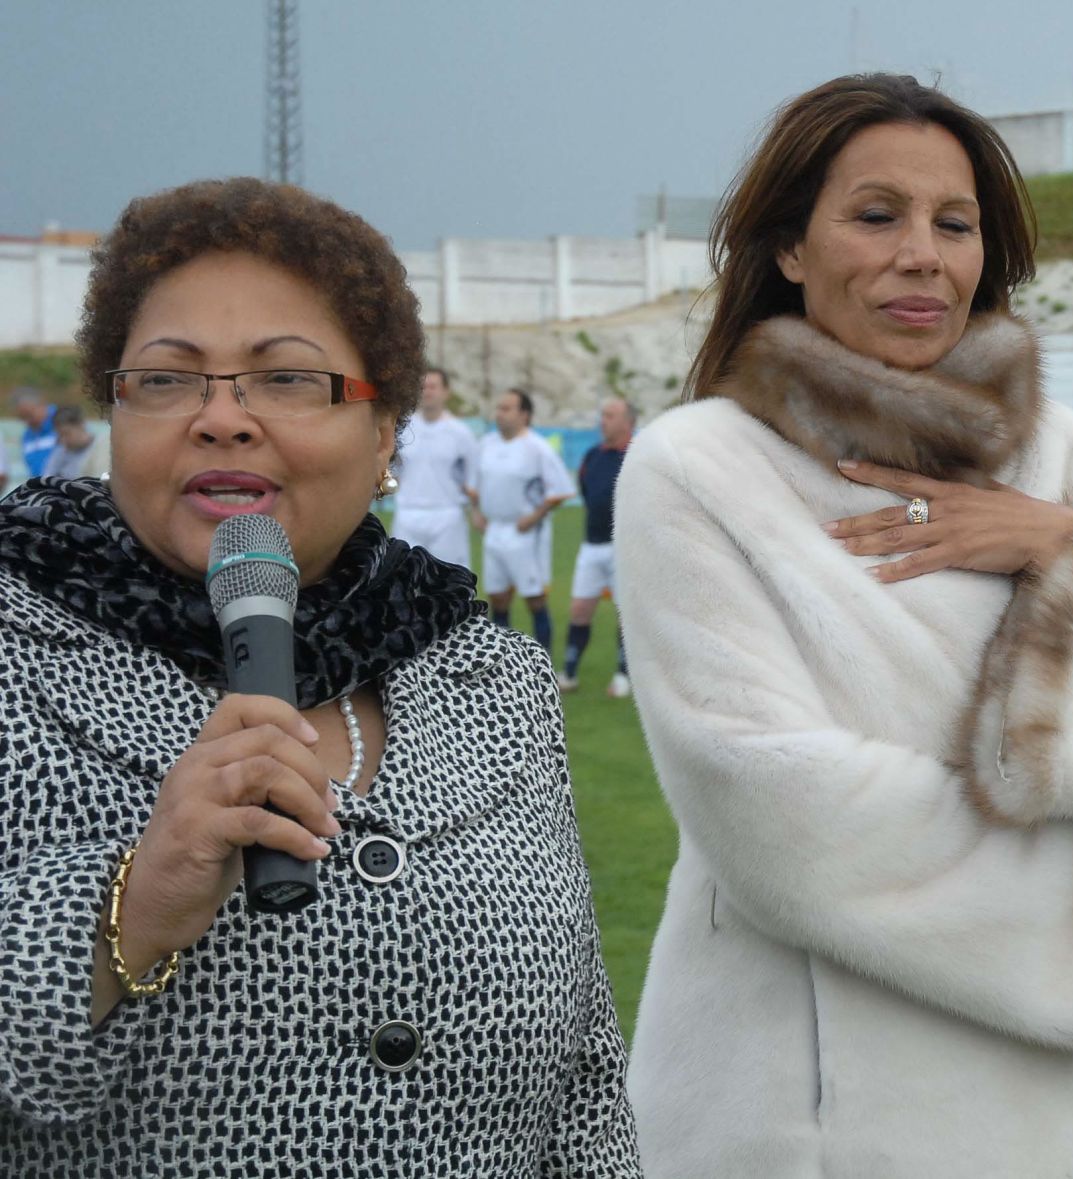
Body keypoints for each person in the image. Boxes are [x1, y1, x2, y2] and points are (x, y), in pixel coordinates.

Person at [614, 73, 1073, 1179]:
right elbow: (772, 810)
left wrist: (1068, 560)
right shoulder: (697, 466)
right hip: (802, 1115)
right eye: (878, 215)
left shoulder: (1065, 459)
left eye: (954, 223)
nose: (923, 253)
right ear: (788, 247)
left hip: (1056, 1122)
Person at [0, 177, 637, 1172]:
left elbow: (586, 1081)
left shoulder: (496, 684)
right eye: (167, 379)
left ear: (386, 435)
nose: (221, 417)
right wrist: (127, 911)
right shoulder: (16, 661)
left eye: (286, 379)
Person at [469, 387, 574, 652]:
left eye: (507, 409)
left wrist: (534, 516)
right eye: (499, 408)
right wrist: (476, 511)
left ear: (524, 414)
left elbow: (561, 490)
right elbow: (473, 485)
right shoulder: (486, 445)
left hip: (526, 533)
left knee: (534, 598)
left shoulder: (538, 449)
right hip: (494, 531)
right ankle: (504, 664)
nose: (499, 414)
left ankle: (544, 661)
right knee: (498, 597)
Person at [559, 397, 633, 698]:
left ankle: (623, 676)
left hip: (624, 547)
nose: (602, 420)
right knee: (579, 610)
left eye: (610, 415)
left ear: (628, 422)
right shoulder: (592, 456)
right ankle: (570, 673)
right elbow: (587, 493)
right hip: (591, 545)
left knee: (625, 614)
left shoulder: (636, 456)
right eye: (602, 414)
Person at [389, 367, 478, 570]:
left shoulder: (461, 433)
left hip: (447, 516)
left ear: (446, 392)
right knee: (403, 581)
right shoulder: (403, 429)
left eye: (433, 387)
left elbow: (472, 477)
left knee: (449, 581)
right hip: (408, 514)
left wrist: (475, 510)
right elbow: (394, 471)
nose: (428, 392)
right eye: (423, 387)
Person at [41, 406, 110, 480]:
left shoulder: (100, 448)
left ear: (81, 425)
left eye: (66, 433)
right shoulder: (61, 451)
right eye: (60, 435)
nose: (63, 440)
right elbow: (46, 478)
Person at [13, 388, 57, 479]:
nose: (27, 421)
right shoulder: (27, 435)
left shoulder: (63, 420)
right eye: (22, 417)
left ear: (42, 406)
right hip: (43, 487)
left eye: (29, 415)